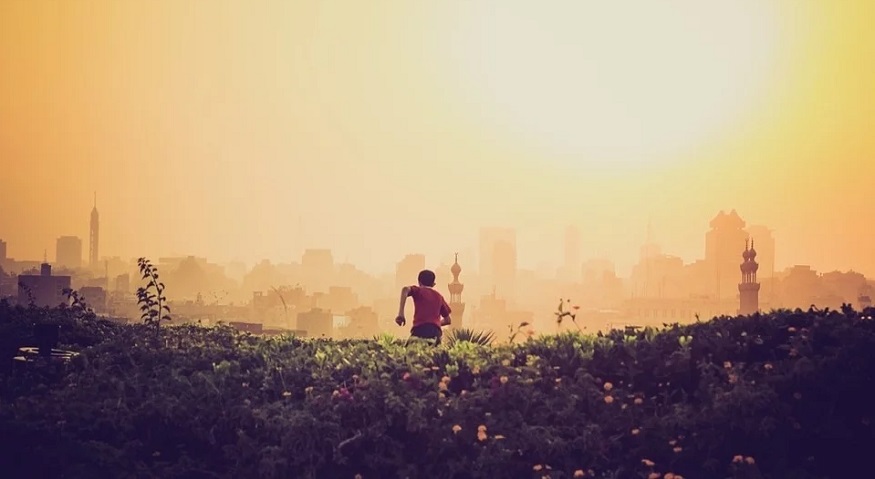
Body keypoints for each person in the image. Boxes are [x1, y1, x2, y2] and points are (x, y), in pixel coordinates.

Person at [396, 269, 452, 345]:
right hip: (436, 332)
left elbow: (405, 289)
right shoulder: (439, 297)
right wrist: (434, 323)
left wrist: (401, 314)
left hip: (420, 329)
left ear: (419, 282)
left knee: (408, 353)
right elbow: (448, 320)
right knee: (433, 355)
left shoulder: (419, 291)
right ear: (433, 284)